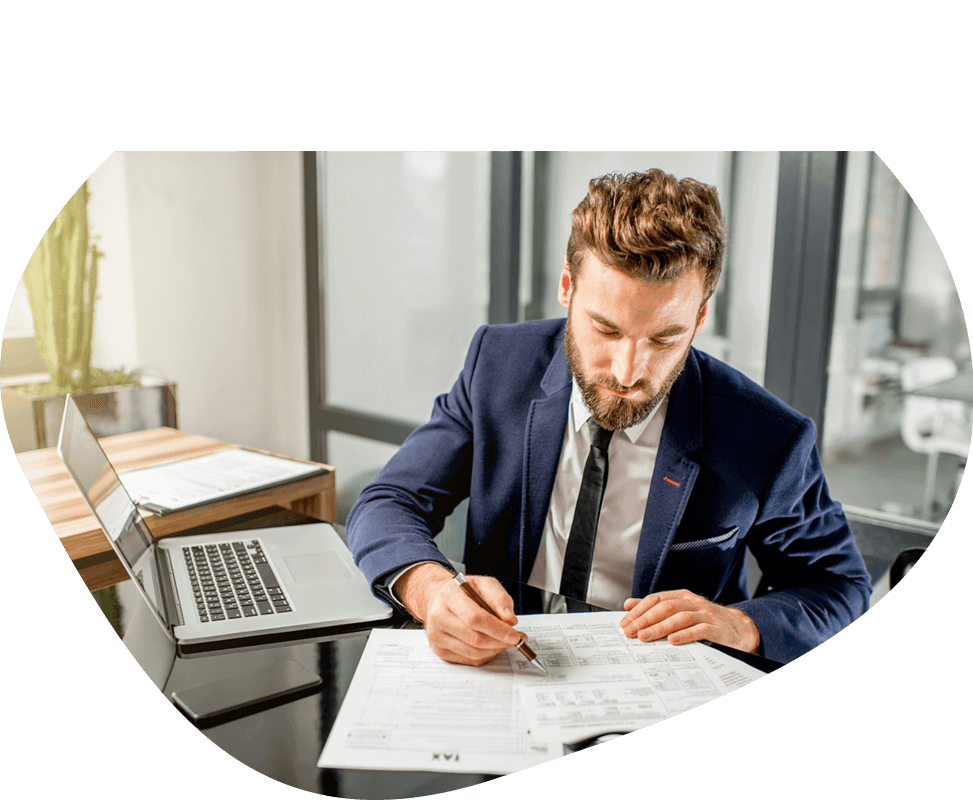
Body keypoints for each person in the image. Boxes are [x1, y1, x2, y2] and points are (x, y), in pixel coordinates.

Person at [346, 168, 872, 667]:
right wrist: (432, 589)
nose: (628, 371)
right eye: (606, 330)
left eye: (665, 339)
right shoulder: (497, 365)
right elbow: (391, 498)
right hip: (504, 668)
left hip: (666, 687)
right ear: (568, 289)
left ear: (700, 317)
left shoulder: (766, 435)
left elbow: (840, 587)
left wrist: (739, 625)